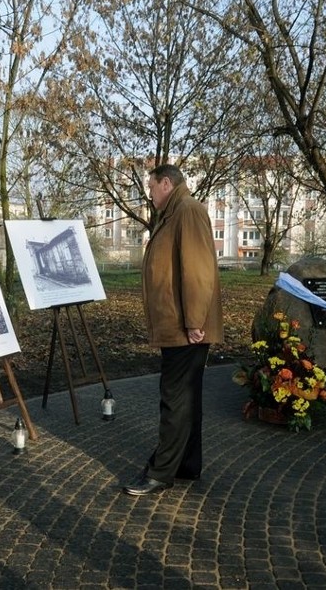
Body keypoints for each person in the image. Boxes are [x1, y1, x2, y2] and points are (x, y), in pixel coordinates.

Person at [123, 164, 224, 496]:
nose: (149, 194)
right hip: (180, 325)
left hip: (185, 327)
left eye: (151, 187)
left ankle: (160, 472)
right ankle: (186, 464)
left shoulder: (187, 211)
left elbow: (198, 271)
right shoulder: (174, 212)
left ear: (166, 183)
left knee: (175, 399)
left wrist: (195, 321)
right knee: (186, 398)